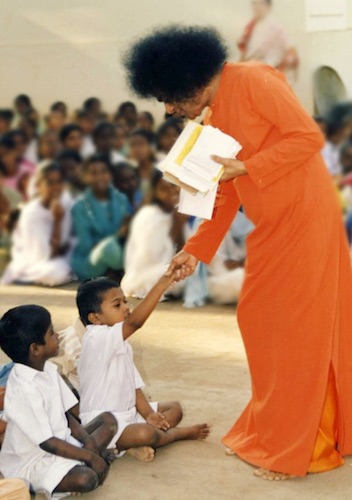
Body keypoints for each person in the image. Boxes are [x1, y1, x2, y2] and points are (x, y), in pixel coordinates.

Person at [124, 25, 352, 480]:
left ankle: (302, 448)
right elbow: (224, 190)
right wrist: (195, 249)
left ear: (192, 78)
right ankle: (276, 430)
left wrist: (248, 165)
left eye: (169, 97)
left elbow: (307, 138)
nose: (168, 108)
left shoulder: (252, 80)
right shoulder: (209, 115)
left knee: (295, 332)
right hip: (272, 226)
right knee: (260, 321)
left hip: (307, 221)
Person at [77, 277, 210, 461]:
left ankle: (130, 446)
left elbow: (134, 386)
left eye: (125, 301)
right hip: (103, 426)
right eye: (117, 305)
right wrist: (163, 283)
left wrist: (149, 415)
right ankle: (176, 434)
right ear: (95, 318)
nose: (126, 307)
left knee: (175, 408)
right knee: (145, 434)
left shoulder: (120, 342)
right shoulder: (96, 338)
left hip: (129, 415)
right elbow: (135, 323)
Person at [0, 305, 117, 497]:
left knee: (108, 421)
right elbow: (48, 444)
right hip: (34, 462)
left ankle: (87, 460)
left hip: (64, 443)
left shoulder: (48, 370)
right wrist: (90, 455)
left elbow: (67, 415)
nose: (58, 336)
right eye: (51, 333)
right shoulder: (24, 389)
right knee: (87, 479)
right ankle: (81, 467)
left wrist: (87, 441)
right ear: (35, 349)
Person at [2, 163, 74, 286]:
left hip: (65, 254)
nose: (55, 187)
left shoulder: (66, 201)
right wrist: (57, 221)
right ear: (38, 186)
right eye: (50, 183)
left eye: (59, 182)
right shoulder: (31, 214)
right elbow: (47, 255)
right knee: (54, 273)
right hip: (37, 261)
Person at [121, 170, 185, 299]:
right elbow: (153, 258)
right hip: (145, 277)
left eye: (174, 186)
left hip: (166, 269)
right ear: (154, 192)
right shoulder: (149, 216)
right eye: (163, 189)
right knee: (183, 277)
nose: (171, 192)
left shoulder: (177, 213)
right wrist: (177, 226)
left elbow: (183, 250)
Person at [71, 154, 130, 280]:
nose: (99, 177)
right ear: (85, 177)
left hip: (120, 254)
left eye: (104, 172)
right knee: (109, 248)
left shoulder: (121, 199)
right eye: (93, 173)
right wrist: (117, 235)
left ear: (110, 175)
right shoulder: (80, 207)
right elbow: (85, 245)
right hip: (91, 260)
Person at [237, 0, 298, 77]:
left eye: (261, 4)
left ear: (268, 6)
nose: (257, 7)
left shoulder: (276, 27)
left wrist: (281, 67)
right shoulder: (250, 26)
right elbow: (245, 50)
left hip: (268, 72)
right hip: (251, 71)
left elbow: (290, 49)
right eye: (255, 4)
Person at [128, 129, 157, 198]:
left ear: (150, 146)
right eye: (133, 145)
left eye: (141, 144)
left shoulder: (160, 171)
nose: (137, 149)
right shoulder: (130, 172)